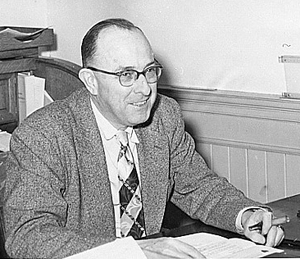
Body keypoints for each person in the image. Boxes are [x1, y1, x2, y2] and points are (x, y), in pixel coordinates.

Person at [3, 18, 285, 259]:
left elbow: (197, 185)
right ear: (90, 81)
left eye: (149, 72)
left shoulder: (164, 116)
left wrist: (244, 215)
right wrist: (131, 252)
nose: (145, 89)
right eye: (127, 75)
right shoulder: (43, 135)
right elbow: (28, 235)